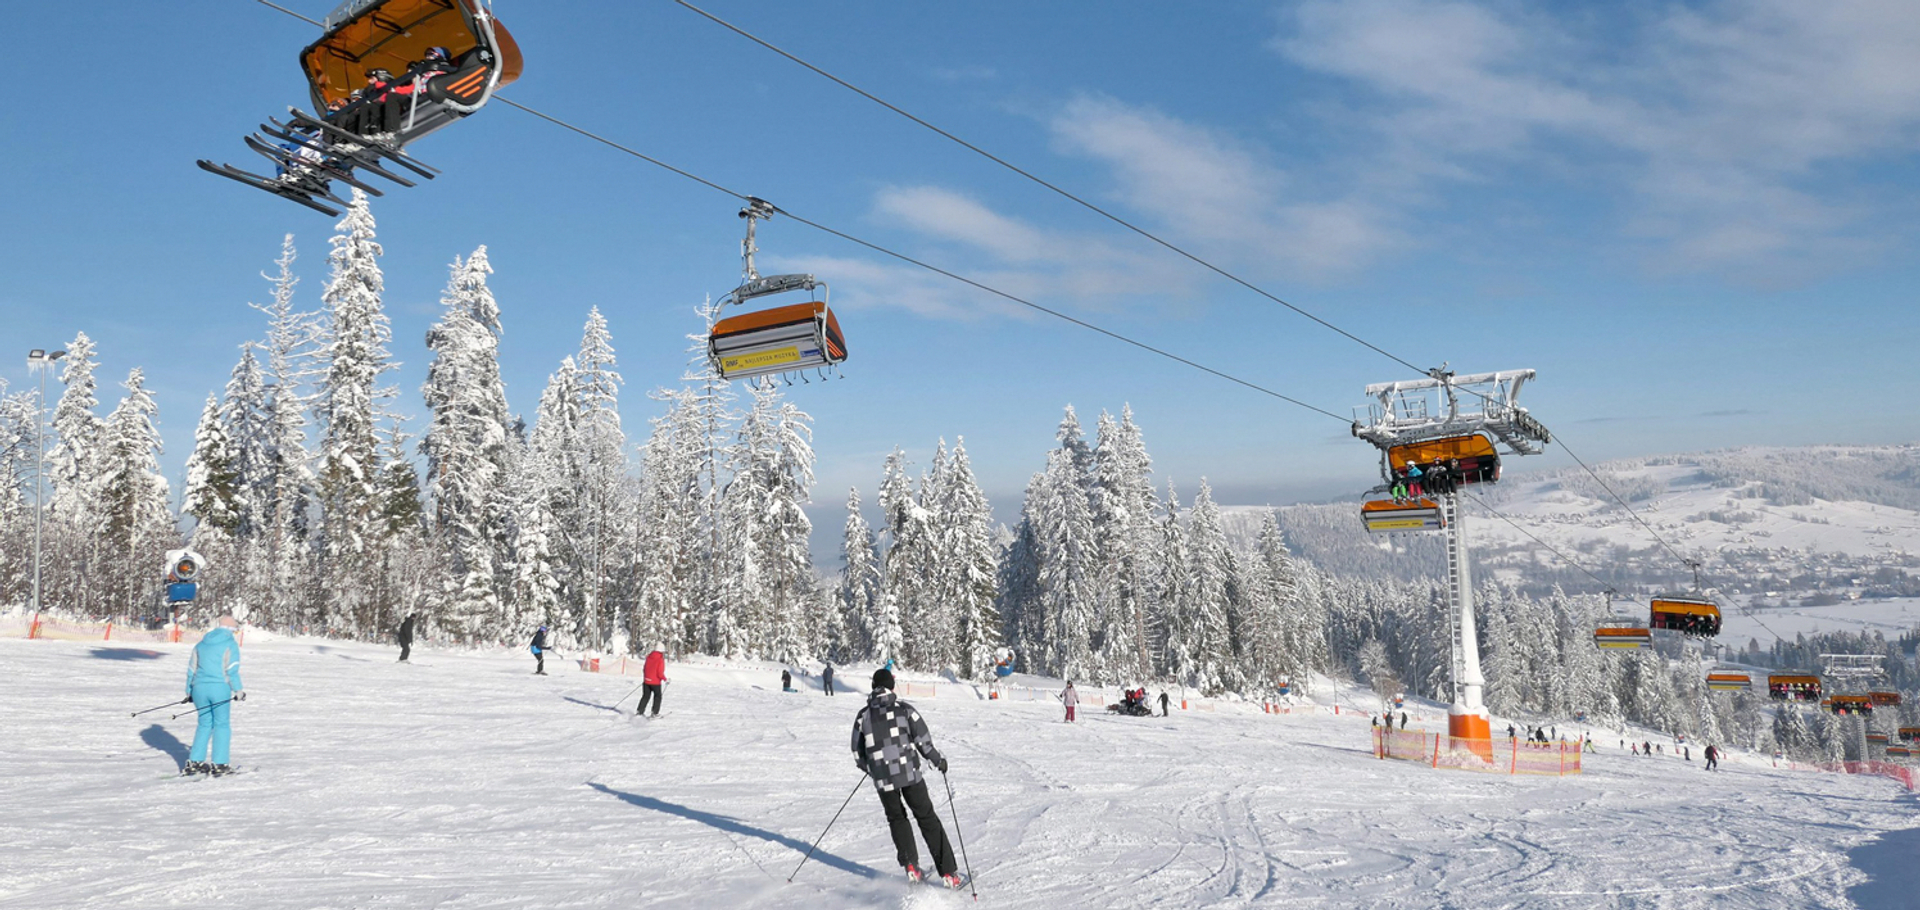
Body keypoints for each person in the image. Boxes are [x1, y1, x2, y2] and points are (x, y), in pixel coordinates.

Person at [853, 668, 960, 888]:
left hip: (883, 780)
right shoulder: (904, 710)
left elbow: (856, 751)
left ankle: (911, 867)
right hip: (909, 774)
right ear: (891, 686)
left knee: (897, 819)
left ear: (874, 687)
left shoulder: (863, 716)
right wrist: (938, 761)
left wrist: (872, 768)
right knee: (926, 818)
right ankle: (949, 874)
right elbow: (923, 741)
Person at [184, 615, 245, 776]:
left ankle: (195, 762)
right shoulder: (230, 644)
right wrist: (238, 690)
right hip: (219, 688)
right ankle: (220, 764)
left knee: (204, 724)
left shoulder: (201, 644)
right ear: (231, 629)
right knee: (221, 724)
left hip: (199, 689)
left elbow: (191, 669)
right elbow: (231, 670)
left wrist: (189, 691)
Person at [637, 643, 667, 716]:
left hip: (646, 682)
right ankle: (654, 713)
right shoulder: (660, 659)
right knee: (657, 697)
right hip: (655, 683)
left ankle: (639, 711)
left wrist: (647, 678)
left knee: (645, 696)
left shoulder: (649, 657)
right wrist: (665, 679)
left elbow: (645, 669)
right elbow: (659, 673)